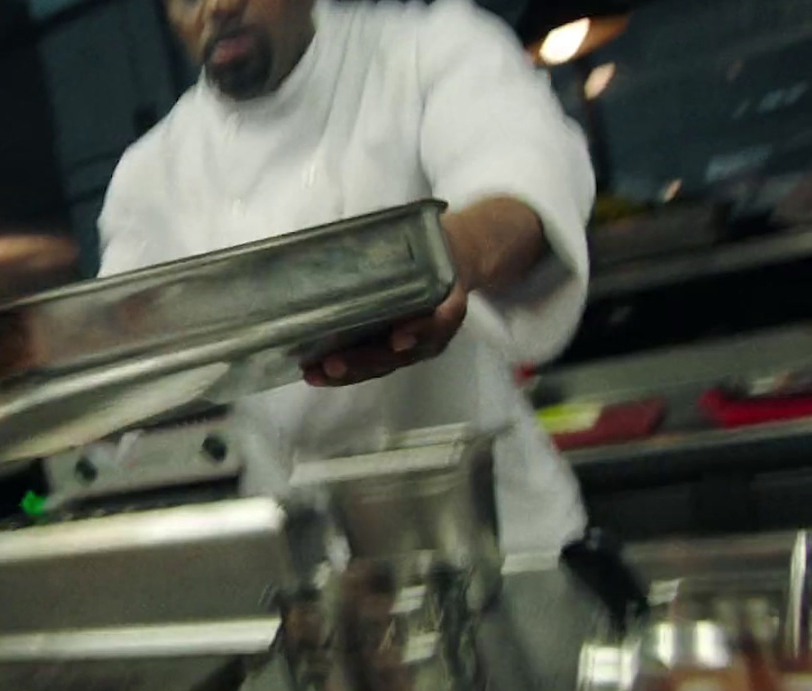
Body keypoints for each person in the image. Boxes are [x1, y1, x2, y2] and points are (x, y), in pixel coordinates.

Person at [100, 0, 596, 552]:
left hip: (499, 533)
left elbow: (518, 174)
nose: (217, 6)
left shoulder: (423, 50)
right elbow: (121, 354)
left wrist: (441, 260)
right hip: (312, 563)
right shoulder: (152, 175)